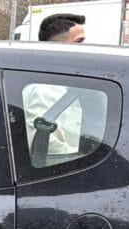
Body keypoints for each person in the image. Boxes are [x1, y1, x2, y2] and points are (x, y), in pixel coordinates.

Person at [24, 14, 87, 160]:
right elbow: (42, 143)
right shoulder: (42, 89)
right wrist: (83, 156)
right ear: (57, 47)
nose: (85, 48)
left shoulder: (65, 83)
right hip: (57, 169)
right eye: (79, 42)